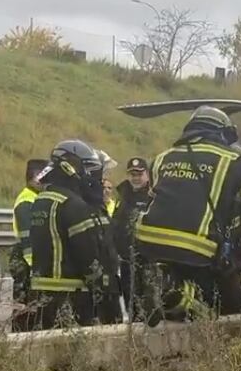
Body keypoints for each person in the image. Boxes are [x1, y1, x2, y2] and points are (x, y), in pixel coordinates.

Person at [136, 105, 241, 324]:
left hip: (148, 241)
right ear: (220, 133)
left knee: (184, 292)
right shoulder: (233, 162)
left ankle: (167, 290)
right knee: (224, 302)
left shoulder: (162, 158)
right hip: (195, 247)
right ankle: (176, 295)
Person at [28, 140, 121, 329]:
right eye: (88, 168)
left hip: (42, 292)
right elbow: (87, 254)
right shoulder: (73, 205)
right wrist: (102, 288)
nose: (91, 176)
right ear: (69, 168)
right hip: (71, 295)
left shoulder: (42, 200)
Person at [9, 158, 48, 332]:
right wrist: (35, 266)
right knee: (23, 307)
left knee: (33, 308)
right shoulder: (27, 201)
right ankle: (19, 339)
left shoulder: (36, 198)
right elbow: (27, 238)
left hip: (31, 258)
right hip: (25, 260)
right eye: (45, 177)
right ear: (34, 177)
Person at [112, 157, 152, 320]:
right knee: (130, 304)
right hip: (125, 260)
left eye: (139, 174)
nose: (135, 178)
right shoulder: (123, 194)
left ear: (147, 175)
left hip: (146, 260)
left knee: (147, 303)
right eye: (132, 174)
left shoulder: (152, 196)